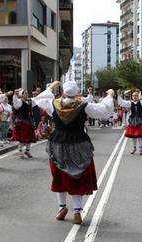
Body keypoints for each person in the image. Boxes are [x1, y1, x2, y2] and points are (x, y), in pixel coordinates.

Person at [32, 80, 114, 225]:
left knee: (59, 175)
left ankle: (61, 207)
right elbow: (104, 110)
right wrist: (110, 96)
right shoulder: (84, 106)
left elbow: (38, 100)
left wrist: (50, 87)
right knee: (77, 174)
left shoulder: (53, 104)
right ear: (77, 93)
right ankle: (77, 210)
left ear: (63, 93)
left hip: (58, 143)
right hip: (78, 142)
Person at [118, 87, 142, 155]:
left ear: (138, 96)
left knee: (139, 135)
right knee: (133, 135)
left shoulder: (141, 102)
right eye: (133, 96)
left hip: (139, 120)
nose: (134, 97)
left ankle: (141, 148)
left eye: (136, 96)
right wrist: (119, 95)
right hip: (132, 120)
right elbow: (121, 102)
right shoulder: (130, 103)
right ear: (132, 97)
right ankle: (134, 148)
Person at [12, 89, 38, 158]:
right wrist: (15, 94)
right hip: (22, 121)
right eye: (25, 93)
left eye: (27, 93)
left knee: (30, 137)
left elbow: (38, 99)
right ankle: (20, 151)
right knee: (22, 138)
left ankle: (27, 151)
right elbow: (15, 103)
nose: (27, 94)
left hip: (29, 121)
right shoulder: (19, 101)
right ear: (22, 94)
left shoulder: (30, 101)